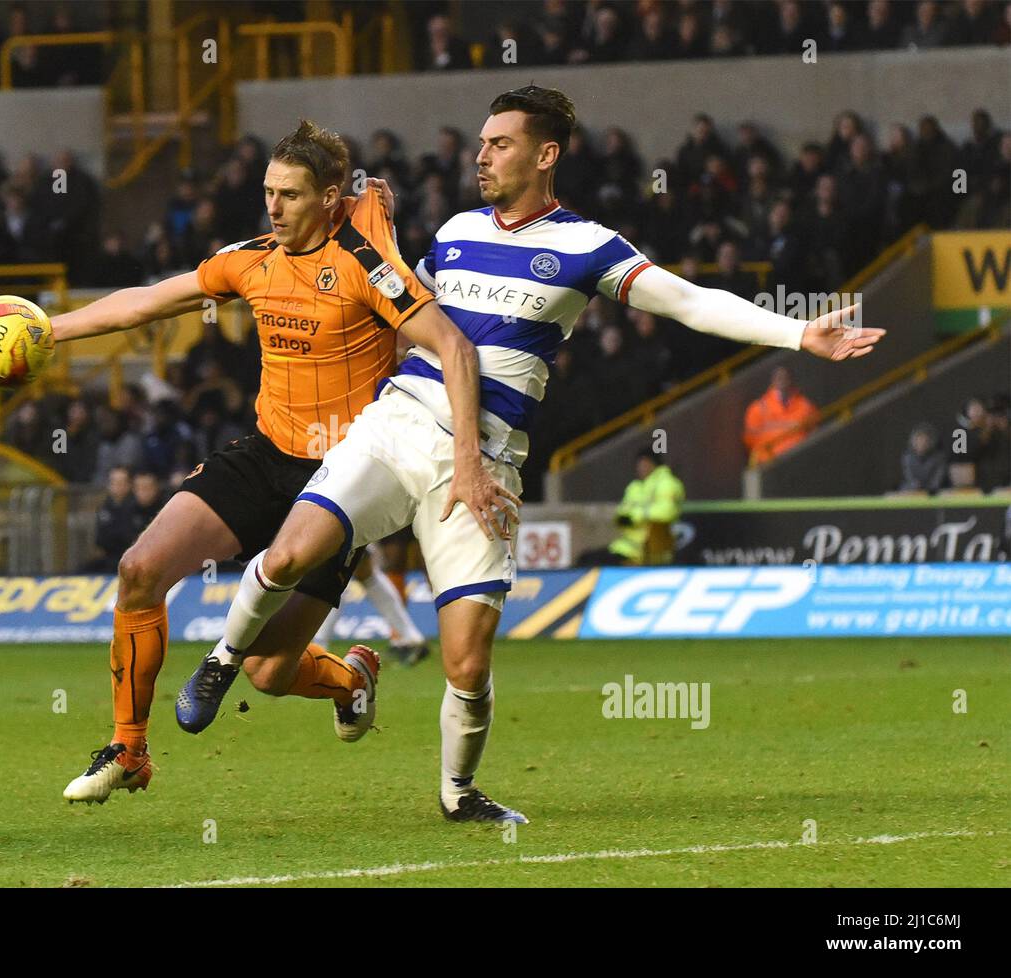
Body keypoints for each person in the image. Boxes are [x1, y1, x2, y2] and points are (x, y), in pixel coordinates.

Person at [183, 85, 884, 824]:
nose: (481, 156)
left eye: (500, 144)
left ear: (545, 154)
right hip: (402, 425)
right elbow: (396, 316)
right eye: (482, 144)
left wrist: (797, 334)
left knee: (468, 660)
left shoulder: (588, 247)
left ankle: (459, 794)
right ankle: (222, 662)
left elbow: (688, 301)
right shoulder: (453, 231)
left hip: (485, 463)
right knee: (291, 553)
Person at [53, 119, 502, 804]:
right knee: (139, 570)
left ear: (329, 197)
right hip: (266, 453)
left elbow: (451, 345)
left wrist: (466, 457)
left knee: (267, 671)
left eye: (289, 194)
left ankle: (352, 679)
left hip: (344, 477)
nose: (274, 206)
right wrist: (50, 330)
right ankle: (130, 748)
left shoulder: (367, 267)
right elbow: (145, 302)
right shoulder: (251, 259)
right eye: (268, 192)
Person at [579, 448, 685, 565]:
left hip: (650, 550)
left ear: (652, 464)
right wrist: (622, 518)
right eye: (639, 465)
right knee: (585, 559)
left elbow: (667, 511)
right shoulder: (635, 487)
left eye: (643, 464)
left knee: (595, 562)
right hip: (627, 547)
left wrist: (637, 516)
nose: (640, 468)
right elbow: (623, 510)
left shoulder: (667, 483)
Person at [743, 366, 819, 464]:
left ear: (791, 380)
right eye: (779, 377)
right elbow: (749, 438)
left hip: (801, 460)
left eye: (785, 377)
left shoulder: (805, 405)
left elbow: (815, 432)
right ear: (772, 380)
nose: (782, 381)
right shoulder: (758, 408)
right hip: (769, 463)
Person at [898, 422, 946, 493]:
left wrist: (930, 490)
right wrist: (916, 487)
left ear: (930, 442)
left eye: (924, 441)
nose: (921, 443)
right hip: (912, 489)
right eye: (918, 440)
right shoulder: (907, 458)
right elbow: (909, 477)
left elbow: (937, 479)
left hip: (934, 490)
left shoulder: (939, 458)